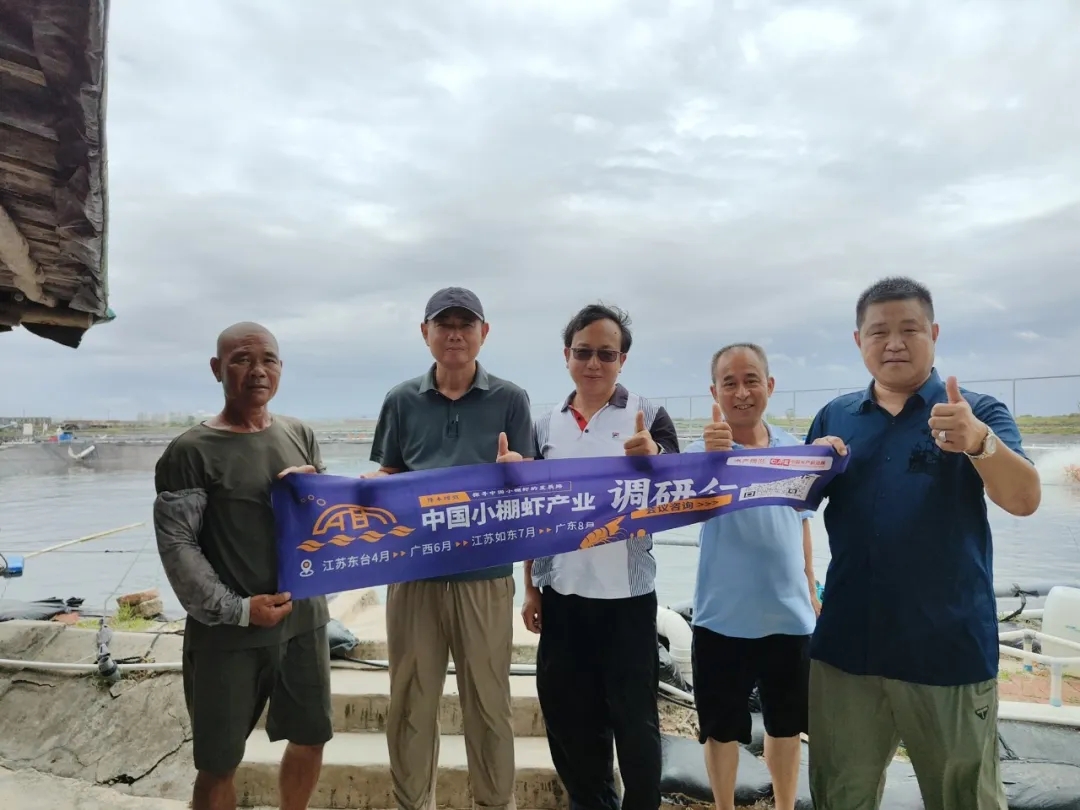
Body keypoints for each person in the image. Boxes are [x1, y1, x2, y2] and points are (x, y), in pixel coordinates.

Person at [805, 277, 1042, 810]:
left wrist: (980, 443)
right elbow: (793, 504)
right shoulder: (835, 417)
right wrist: (803, 465)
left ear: (933, 334)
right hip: (848, 649)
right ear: (859, 341)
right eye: (878, 332)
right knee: (840, 794)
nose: (893, 343)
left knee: (965, 798)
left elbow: (1024, 499)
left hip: (948, 649)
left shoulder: (977, 412)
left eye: (909, 329)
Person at [365, 287, 534, 810]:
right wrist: (362, 490)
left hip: (485, 576)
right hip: (412, 576)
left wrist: (518, 472)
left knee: (489, 704)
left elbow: (530, 486)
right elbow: (390, 472)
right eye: (444, 324)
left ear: (485, 333)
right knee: (410, 705)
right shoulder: (400, 400)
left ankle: (495, 804)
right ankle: (413, 804)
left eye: (466, 324)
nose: (455, 334)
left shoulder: (511, 399)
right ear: (425, 333)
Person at [153, 322, 331, 810]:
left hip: (304, 622)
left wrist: (315, 490)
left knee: (311, 737)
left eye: (268, 360)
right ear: (217, 369)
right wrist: (238, 609)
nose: (257, 371)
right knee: (218, 763)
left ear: (281, 368)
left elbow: (326, 524)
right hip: (229, 635)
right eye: (242, 360)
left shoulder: (299, 434)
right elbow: (178, 547)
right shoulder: (190, 452)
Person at [522, 303, 680, 810]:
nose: (594, 363)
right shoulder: (544, 425)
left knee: (636, 725)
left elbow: (683, 490)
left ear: (622, 360)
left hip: (627, 599)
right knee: (570, 722)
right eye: (584, 352)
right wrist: (530, 588)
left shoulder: (649, 415)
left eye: (606, 354)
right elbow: (531, 514)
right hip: (562, 597)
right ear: (567, 355)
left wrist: (655, 458)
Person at [683, 343, 819, 810]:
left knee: (786, 726)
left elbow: (802, 522)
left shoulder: (794, 451)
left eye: (751, 380)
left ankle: (785, 805)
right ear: (714, 393)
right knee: (719, 729)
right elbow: (676, 504)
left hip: (789, 615)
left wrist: (811, 586)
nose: (741, 392)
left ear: (770, 385)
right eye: (729, 383)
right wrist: (709, 461)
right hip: (722, 617)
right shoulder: (702, 454)